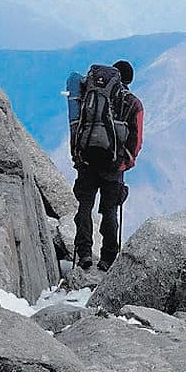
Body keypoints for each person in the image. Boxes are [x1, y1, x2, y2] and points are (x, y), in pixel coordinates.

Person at [69, 60, 143, 271]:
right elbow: (136, 140)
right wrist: (126, 162)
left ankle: (83, 254)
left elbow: (78, 124)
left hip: (87, 161)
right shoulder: (133, 103)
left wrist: (78, 156)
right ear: (128, 80)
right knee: (110, 210)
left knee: (84, 207)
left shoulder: (90, 95)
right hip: (113, 166)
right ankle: (107, 259)